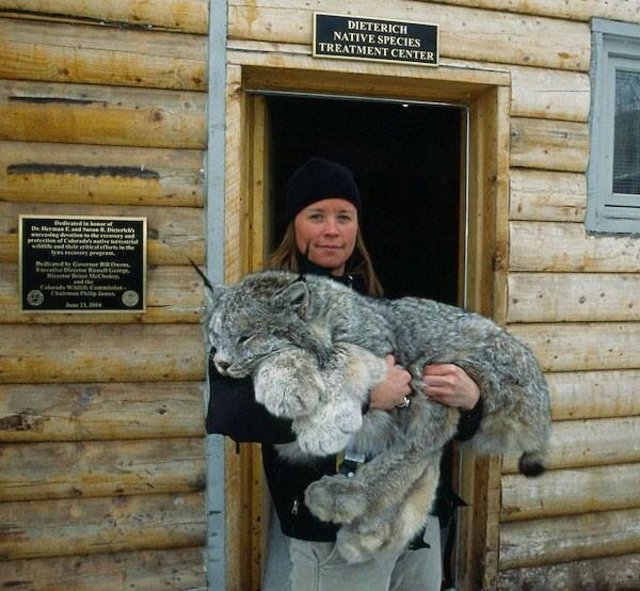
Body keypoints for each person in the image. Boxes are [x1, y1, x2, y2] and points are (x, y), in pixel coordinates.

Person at [207, 157, 482, 591]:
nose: (331, 230)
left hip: (413, 522)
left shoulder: (378, 306)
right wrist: (365, 398)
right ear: (294, 225)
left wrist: (470, 402)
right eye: (316, 216)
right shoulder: (255, 312)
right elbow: (233, 414)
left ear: (357, 227)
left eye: (344, 217)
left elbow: (416, 403)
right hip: (335, 532)